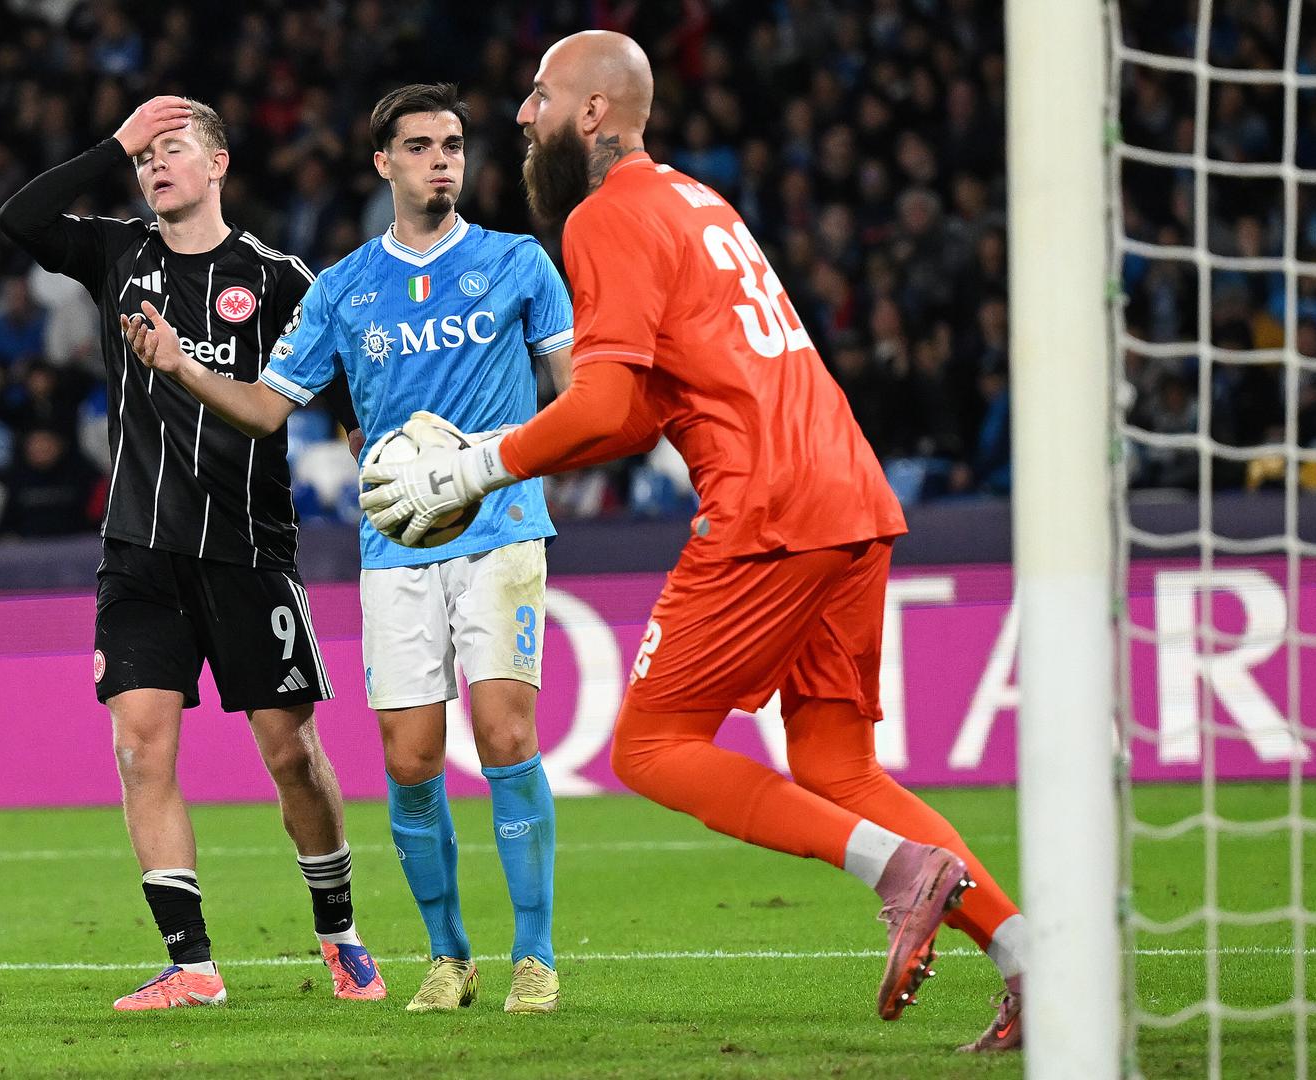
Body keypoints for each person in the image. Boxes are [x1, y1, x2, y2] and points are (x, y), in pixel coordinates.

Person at [358, 32, 1029, 1052]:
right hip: (849, 489)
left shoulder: (605, 216)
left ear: (592, 113)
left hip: (767, 506)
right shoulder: (697, 201)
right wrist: (515, 451)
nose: (523, 118)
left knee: (654, 749)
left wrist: (474, 465)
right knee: (841, 769)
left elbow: (601, 405)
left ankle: (896, 873)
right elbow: (625, 415)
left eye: (538, 98)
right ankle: (1035, 962)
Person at [122, 83, 574, 1015]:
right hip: (396, 547)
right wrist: (182, 365)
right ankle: (449, 959)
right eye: (419, 146)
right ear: (385, 164)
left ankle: (535, 955)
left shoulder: (520, 263)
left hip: (500, 531)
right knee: (410, 762)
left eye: (452, 144)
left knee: (505, 735)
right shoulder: (342, 289)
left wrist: (500, 461)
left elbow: (580, 398)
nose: (441, 159)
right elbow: (267, 409)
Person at [0, 94, 384, 1010]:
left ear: (218, 165)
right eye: (145, 157)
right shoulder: (115, 254)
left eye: (174, 150)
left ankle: (340, 935)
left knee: (290, 753)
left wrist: (382, 453)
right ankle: (192, 965)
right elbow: (18, 218)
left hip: (249, 552)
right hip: (137, 552)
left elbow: (346, 399)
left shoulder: (280, 278)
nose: (154, 166)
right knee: (140, 749)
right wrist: (111, 143)